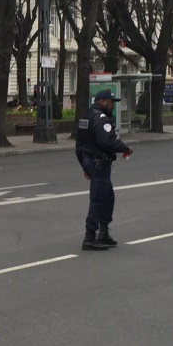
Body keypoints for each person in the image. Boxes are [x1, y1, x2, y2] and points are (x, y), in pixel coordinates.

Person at [75, 88, 132, 251]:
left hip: (89, 161)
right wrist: (125, 148)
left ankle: (104, 233)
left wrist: (84, 166)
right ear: (101, 101)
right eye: (111, 102)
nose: (113, 105)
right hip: (99, 162)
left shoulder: (85, 117)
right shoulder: (101, 119)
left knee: (107, 196)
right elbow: (107, 141)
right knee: (99, 199)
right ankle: (90, 236)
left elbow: (79, 145)